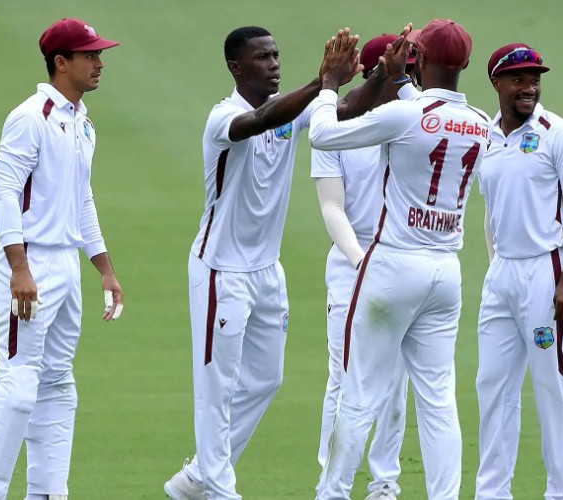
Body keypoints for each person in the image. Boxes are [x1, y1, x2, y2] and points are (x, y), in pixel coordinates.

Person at [163, 25, 412, 500]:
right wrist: (323, 81)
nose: (273, 63)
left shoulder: (291, 112)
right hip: (221, 270)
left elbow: (346, 110)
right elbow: (259, 119)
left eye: (276, 54)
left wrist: (383, 72)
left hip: (267, 271)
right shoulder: (224, 117)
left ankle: (199, 477)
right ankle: (218, 488)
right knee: (217, 388)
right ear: (236, 67)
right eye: (262, 57)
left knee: (265, 380)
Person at [309, 19, 490, 500]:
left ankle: (332, 492)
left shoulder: (404, 115)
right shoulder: (480, 122)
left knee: (359, 392)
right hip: (446, 271)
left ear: (421, 59)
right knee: (438, 400)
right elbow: (431, 113)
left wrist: (329, 86)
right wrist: (399, 81)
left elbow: (322, 135)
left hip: (392, 264)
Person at [0, 17, 124, 500]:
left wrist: (104, 268)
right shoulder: (30, 116)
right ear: (61, 62)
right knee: (18, 388)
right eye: (89, 55)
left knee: (57, 383)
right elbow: (4, 191)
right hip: (30, 263)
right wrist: (19, 267)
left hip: (66, 264)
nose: (99, 63)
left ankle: (48, 492)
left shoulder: (83, 122)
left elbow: (82, 199)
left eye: (99, 54)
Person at [474, 43, 563, 500]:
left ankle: (561, 493)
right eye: (518, 79)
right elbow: (491, 211)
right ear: (497, 83)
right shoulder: (485, 137)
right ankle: (492, 493)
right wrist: (494, 268)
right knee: (492, 386)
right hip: (502, 276)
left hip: (548, 272)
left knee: (552, 386)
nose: (529, 87)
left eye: (535, 79)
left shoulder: (559, 134)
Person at [311, 34, 417, 500]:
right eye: (402, 67)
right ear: (377, 74)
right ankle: (331, 479)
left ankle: (384, 482)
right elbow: (332, 207)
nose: (411, 76)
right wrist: (361, 260)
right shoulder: (334, 126)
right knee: (344, 377)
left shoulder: (419, 121)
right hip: (352, 266)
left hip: (406, 266)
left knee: (396, 383)